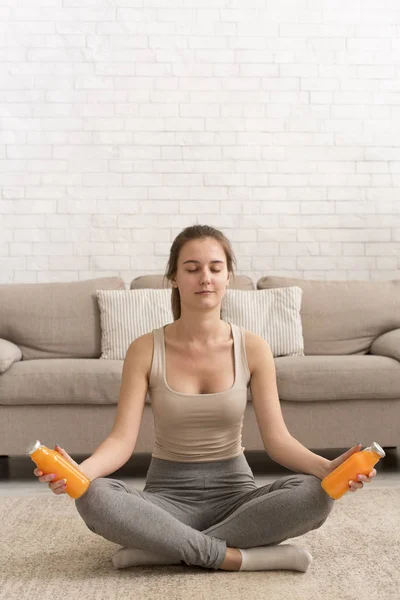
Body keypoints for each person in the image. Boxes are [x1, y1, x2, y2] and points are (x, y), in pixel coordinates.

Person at [34, 224, 377, 573]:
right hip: (166, 498)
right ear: (174, 277)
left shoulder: (253, 348)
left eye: (215, 268)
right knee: (94, 496)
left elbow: (278, 441)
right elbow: (121, 441)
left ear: (229, 276)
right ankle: (234, 557)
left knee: (316, 495)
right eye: (192, 268)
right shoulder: (144, 349)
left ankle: (165, 547)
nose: (205, 278)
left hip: (236, 499)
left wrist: (327, 469)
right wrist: (79, 473)